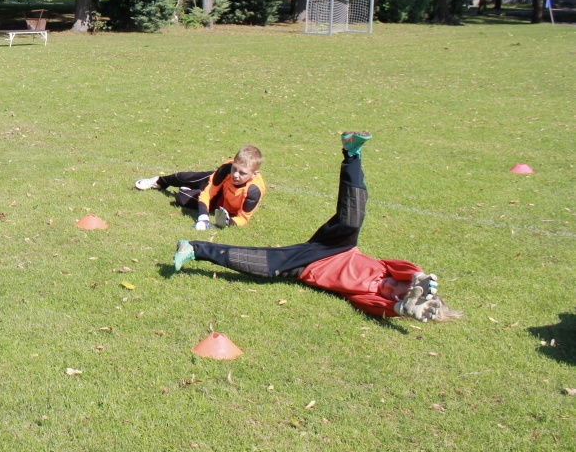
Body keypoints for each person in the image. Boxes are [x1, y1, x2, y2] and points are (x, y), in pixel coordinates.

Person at [172, 133, 460, 322]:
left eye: (396, 295)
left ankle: (194, 248)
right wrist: (417, 276)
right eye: (400, 286)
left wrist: (398, 309)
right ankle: (352, 153)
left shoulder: (371, 297)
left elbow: (374, 307)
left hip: (308, 265)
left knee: (265, 265)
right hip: (339, 247)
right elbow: (401, 267)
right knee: (351, 219)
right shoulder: (389, 272)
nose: (392, 288)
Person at [136, 145, 266, 230]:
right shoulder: (226, 170)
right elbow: (208, 193)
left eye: (242, 173)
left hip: (221, 204)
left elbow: (243, 218)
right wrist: (203, 218)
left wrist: (228, 222)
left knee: (181, 198)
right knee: (185, 177)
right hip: (217, 186)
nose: (236, 175)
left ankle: (189, 190)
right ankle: (159, 181)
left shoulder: (254, 191)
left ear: (254, 174)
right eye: (234, 169)